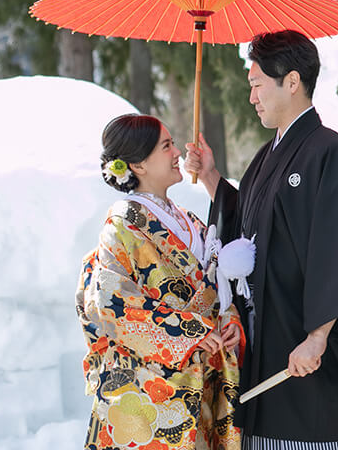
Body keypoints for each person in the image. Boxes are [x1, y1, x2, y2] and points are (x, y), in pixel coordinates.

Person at [185, 30, 338, 450]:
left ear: (291, 82)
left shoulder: (329, 152)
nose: (252, 97)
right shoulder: (265, 156)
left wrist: (319, 334)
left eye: (256, 85)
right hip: (268, 344)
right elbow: (249, 226)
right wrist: (211, 177)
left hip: (306, 351)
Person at [77, 114, 243, 450]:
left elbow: (219, 290)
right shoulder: (122, 225)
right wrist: (189, 332)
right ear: (137, 164)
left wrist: (228, 321)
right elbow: (109, 303)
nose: (177, 153)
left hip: (203, 380)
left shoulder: (190, 220)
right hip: (150, 388)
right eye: (166, 146)